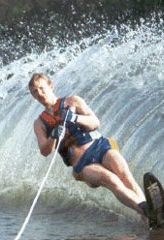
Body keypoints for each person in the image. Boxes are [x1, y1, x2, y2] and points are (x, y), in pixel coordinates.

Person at [28, 73, 152, 226]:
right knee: (112, 180)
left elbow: (95, 122)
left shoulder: (73, 101)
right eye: (34, 91)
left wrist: (75, 118)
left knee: (125, 176)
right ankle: (146, 210)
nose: (39, 93)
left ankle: (149, 218)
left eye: (41, 88)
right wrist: (53, 136)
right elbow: (44, 151)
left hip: (100, 147)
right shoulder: (39, 123)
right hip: (82, 165)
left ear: (50, 86)